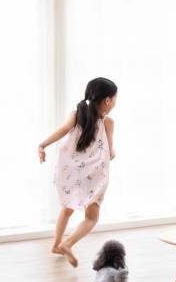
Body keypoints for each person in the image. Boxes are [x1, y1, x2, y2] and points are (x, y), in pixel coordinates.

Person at [38, 77, 117, 267]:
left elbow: (63, 130)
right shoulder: (108, 123)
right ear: (107, 100)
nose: (114, 103)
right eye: (115, 99)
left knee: (67, 208)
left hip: (72, 171)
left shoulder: (77, 114)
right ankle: (68, 243)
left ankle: (56, 245)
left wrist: (42, 145)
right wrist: (110, 152)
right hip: (93, 175)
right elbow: (110, 152)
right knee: (92, 217)